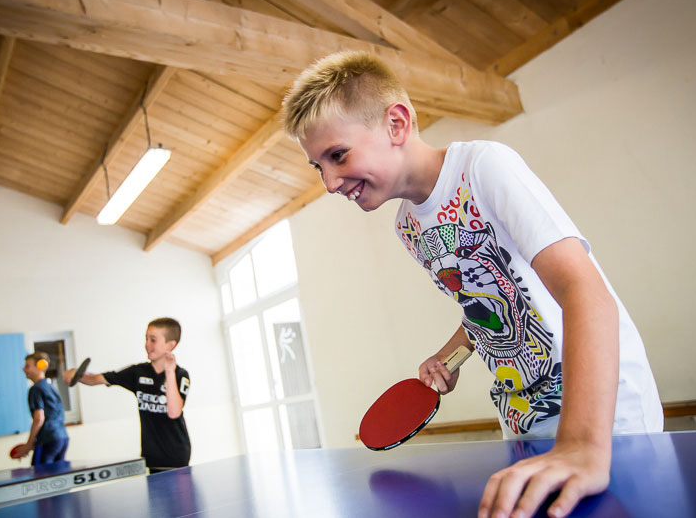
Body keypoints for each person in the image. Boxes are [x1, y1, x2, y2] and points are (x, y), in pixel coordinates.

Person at [281, 51, 663, 518]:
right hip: (523, 420)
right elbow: (494, 301)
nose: (330, 182)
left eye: (337, 155)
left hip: (600, 421)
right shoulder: (408, 228)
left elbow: (584, 292)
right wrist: (449, 356)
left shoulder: (484, 166)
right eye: (318, 166)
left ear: (397, 124)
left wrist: (581, 444)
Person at [64, 317, 191, 473]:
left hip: (176, 456)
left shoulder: (180, 375)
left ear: (170, 345)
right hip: (152, 457)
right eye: (146, 339)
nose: (147, 345)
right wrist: (77, 375)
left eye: (153, 340)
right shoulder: (137, 372)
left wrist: (169, 371)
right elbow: (97, 379)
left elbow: (174, 412)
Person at [14, 352, 69, 465]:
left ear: (40, 367)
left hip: (47, 440)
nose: (24, 369)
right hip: (62, 438)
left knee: (39, 478)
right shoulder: (50, 387)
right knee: (57, 477)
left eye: (27, 366)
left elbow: (39, 418)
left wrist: (29, 445)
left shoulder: (36, 389)